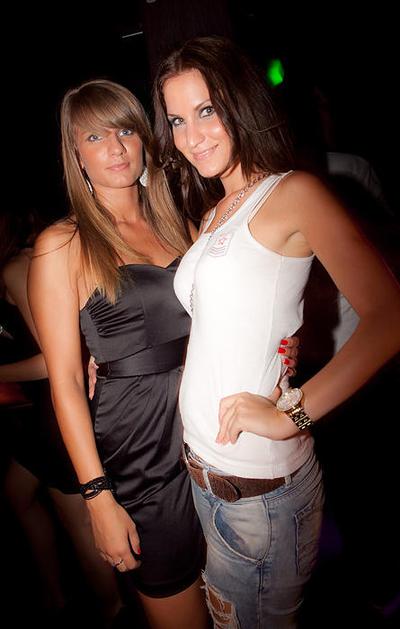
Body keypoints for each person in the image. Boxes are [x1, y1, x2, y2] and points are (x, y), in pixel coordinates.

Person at [152, 35, 400, 628]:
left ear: (239, 103)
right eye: (177, 120)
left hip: (259, 495)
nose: (191, 136)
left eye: (206, 110)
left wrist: (290, 414)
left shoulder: (294, 192)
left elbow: (392, 319)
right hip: (206, 476)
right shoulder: (213, 212)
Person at [27, 77, 300, 628]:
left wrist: (282, 356)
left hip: (213, 441)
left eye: (125, 130)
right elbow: (66, 383)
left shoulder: (179, 223)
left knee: (239, 606)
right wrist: (98, 498)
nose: (115, 147)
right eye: (95, 137)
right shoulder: (63, 243)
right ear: (75, 154)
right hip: (141, 455)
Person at [0, 208, 121, 628]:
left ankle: (112, 609)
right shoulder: (14, 265)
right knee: (17, 494)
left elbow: (56, 362)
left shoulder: (18, 267)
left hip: (58, 413)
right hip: (40, 414)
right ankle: (55, 594)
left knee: (80, 520)